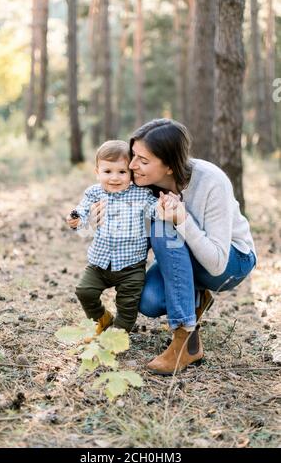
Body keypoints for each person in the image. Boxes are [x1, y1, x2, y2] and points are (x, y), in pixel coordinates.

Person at [84, 119, 257, 375]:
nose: (132, 166)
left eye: (143, 161)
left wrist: (182, 220)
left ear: (168, 166)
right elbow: (133, 241)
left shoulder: (211, 181)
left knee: (163, 226)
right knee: (149, 301)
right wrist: (96, 222)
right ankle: (195, 298)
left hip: (232, 261)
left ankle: (184, 340)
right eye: (133, 157)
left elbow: (217, 263)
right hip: (183, 259)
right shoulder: (142, 187)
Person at [66, 140, 158, 338]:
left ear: (131, 173)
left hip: (131, 266)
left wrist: (165, 207)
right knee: (84, 291)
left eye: (122, 172)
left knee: (128, 305)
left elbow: (155, 208)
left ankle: (117, 336)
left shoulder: (141, 194)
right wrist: (75, 219)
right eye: (108, 172)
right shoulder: (94, 193)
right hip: (99, 263)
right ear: (97, 172)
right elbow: (82, 212)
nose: (114, 178)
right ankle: (103, 318)